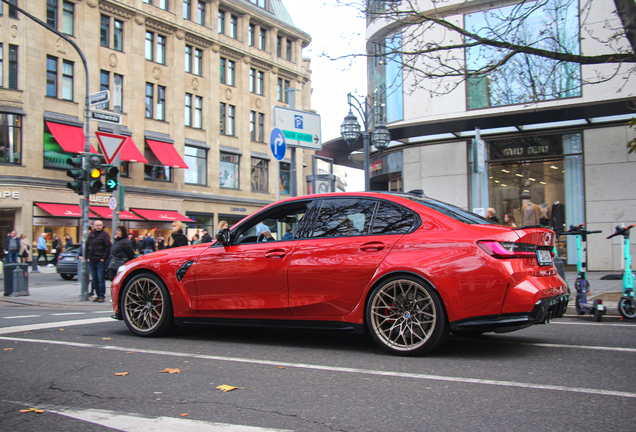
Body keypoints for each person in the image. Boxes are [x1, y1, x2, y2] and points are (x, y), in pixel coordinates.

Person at [86, 220, 112, 303]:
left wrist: (103, 258)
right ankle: (97, 295)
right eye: (97, 225)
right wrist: (87, 257)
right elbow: (87, 246)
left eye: (100, 225)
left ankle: (101, 295)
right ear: (94, 226)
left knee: (101, 278)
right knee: (94, 279)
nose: (99, 226)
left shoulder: (105, 235)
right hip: (92, 259)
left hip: (100, 260)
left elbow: (108, 247)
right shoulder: (91, 235)